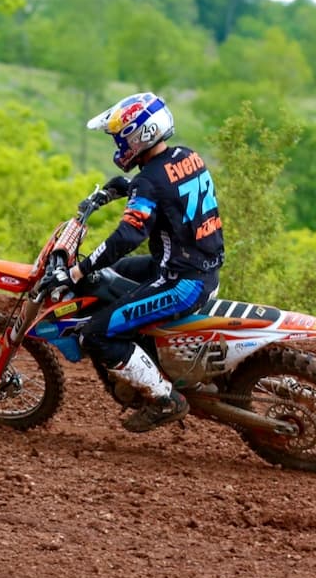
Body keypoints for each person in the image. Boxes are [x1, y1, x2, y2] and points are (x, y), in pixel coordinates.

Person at [51, 92, 225, 433]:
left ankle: (165, 399)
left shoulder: (149, 181)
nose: (117, 144)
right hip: (195, 265)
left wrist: (77, 270)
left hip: (183, 282)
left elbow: (128, 237)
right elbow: (169, 190)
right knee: (109, 278)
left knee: (95, 335)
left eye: (120, 137)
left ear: (138, 135)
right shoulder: (187, 156)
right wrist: (125, 188)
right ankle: (147, 354)